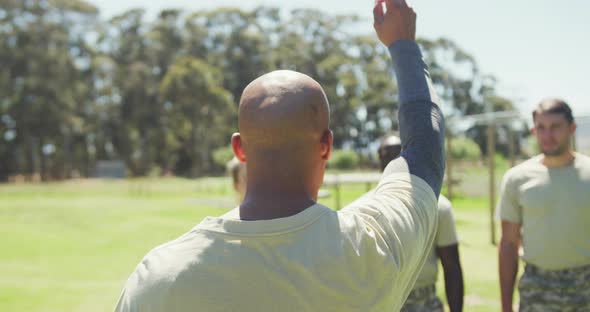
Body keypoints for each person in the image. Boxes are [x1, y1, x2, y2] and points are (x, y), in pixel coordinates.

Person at [115, 1, 446, 310]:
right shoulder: (371, 251)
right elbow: (424, 154)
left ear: (239, 149)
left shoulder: (159, 279)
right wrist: (402, 45)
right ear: (326, 145)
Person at [497, 98, 590, 312]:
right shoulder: (517, 179)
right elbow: (509, 245)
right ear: (533, 130)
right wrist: (505, 306)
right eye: (541, 128)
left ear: (572, 128)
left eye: (555, 127)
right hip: (536, 290)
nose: (548, 135)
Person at [379, 135, 464, 312]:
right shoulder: (369, 210)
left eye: (396, 154)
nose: (390, 161)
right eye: (385, 156)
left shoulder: (438, 206)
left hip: (424, 303)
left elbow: (452, 268)